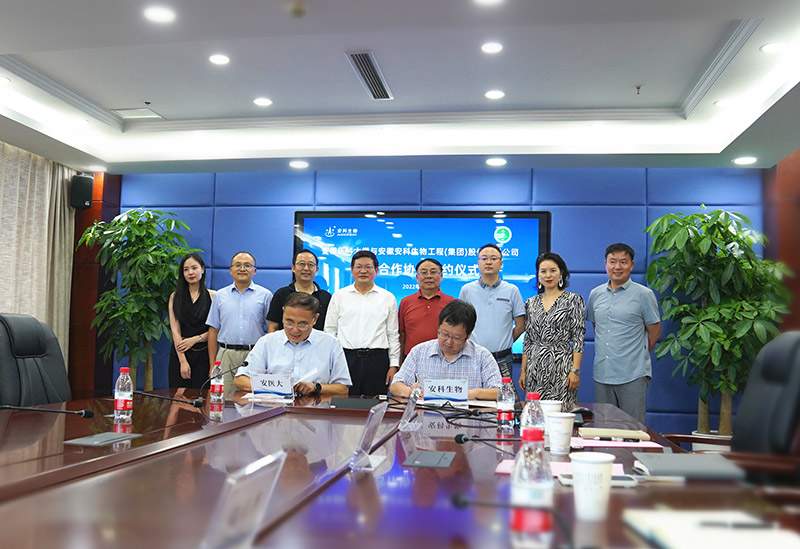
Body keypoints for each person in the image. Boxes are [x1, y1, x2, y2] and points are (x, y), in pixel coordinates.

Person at [587, 243, 661, 424]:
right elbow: (598, 328)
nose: (617, 267)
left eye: (623, 262)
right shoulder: (595, 294)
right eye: (613, 262)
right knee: (604, 427)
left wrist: (636, 355)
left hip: (632, 374)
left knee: (632, 429)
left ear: (631, 265)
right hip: (603, 373)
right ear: (605, 264)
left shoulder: (644, 295)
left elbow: (655, 332)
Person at [234, 292, 351, 396]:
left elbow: (342, 389)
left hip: (314, 409)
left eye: (302, 324)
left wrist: (316, 387)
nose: (295, 330)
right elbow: (240, 380)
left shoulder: (331, 344)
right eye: (289, 322)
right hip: (274, 409)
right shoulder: (267, 342)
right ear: (283, 314)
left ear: (315, 319)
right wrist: (277, 388)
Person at [390, 300, 502, 401]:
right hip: (426, 415)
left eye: (456, 338)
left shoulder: (482, 356)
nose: (448, 342)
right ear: (438, 328)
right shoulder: (419, 352)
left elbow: (499, 392)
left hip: (468, 416)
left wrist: (474, 393)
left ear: (468, 335)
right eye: (444, 334)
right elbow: (395, 386)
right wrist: (410, 392)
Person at [324, 250, 401, 396]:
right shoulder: (339, 296)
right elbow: (330, 331)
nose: (363, 271)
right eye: (359, 267)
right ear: (352, 270)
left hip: (377, 360)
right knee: (345, 402)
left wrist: (394, 365)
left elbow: (392, 334)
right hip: (346, 359)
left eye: (368, 267)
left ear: (376, 270)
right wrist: (330, 361)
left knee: (376, 403)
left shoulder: (387, 298)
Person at [519, 252, 585, 409]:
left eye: (553, 270)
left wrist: (575, 371)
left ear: (561, 273)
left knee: (562, 413)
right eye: (543, 271)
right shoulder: (530, 303)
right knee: (535, 413)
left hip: (562, 367)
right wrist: (523, 370)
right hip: (535, 368)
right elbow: (528, 340)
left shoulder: (574, 300)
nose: (548, 275)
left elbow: (578, 338)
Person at [206, 251, 272, 396]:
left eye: (247, 265)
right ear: (231, 270)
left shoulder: (266, 295)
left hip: (254, 354)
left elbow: (271, 330)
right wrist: (212, 365)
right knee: (224, 400)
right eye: (238, 265)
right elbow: (213, 331)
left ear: (255, 271)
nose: (242, 269)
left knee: (254, 400)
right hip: (225, 356)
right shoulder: (220, 296)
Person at [458, 243, 524, 380]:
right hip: (473, 357)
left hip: (503, 358)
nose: (488, 262)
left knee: (502, 393)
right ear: (478, 263)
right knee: (472, 392)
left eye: (493, 258)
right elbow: (461, 323)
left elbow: (521, 325)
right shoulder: (467, 290)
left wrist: (506, 341)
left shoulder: (512, 290)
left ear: (501, 263)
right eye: (484, 258)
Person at [168, 253, 216, 388]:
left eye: (194, 268)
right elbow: (175, 330)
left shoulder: (213, 296)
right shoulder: (174, 297)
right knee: (178, 396)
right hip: (180, 352)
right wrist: (182, 361)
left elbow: (216, 330)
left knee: (202, 396)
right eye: (186, 269)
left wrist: (195, 339)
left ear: (203, 269)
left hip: (204, 354)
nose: (190, 273)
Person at [398, 258, 455, 362]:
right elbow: (401, 334)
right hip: (412, 359)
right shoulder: (406, 302)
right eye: (424, 273)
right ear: (417, 277)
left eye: (433, 272)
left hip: (443, 358)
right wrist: (399, 362)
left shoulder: (452, 303)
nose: (428, 276)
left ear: (441, 276)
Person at [267, 249, 331, 333]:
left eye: (311, 265)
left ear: (316, 269)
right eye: (301, 264)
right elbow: (272, 328)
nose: (306, 268)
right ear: (293, 268)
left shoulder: (326, 297)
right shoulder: (281, 294)